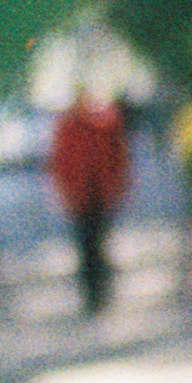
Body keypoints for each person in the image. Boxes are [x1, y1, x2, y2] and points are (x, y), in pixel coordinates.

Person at [44, 89, 130, 315]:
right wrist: (65, 192)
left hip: (99, 193)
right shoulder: (69, 127)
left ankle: (100, 290)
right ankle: (93, 294)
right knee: (86, 245)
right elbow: (60, 162)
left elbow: (117, 158)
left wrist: (116, 187)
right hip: (80, 195)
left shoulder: (104, 125)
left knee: (97, 243)